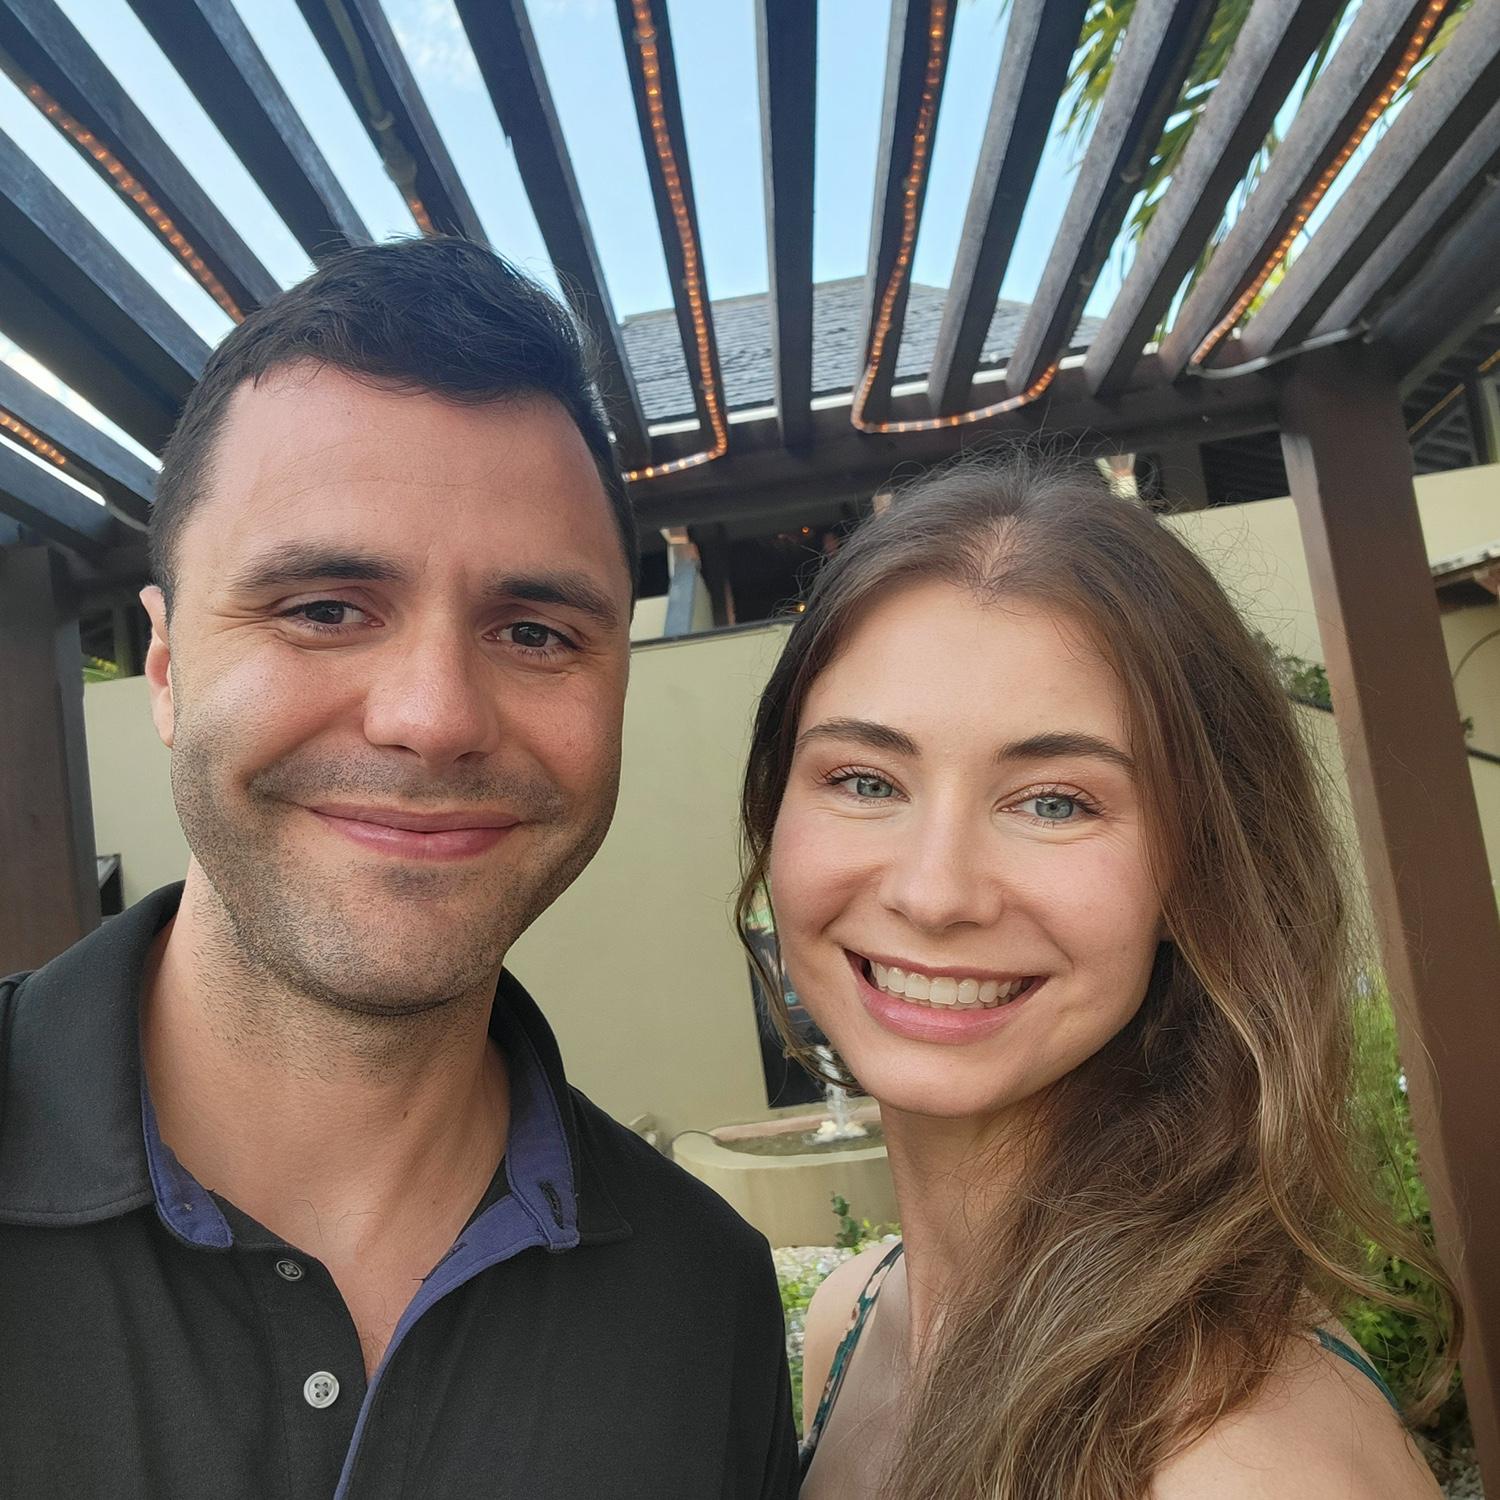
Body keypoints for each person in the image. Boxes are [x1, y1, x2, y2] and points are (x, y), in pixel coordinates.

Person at [0, 237, 798, 1499]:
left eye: (535, 631)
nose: (434, 716)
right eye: (324, 609)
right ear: (163, 668)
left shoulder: (706, 1301)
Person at [736, 451, 1456, 1499]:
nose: (935, 893)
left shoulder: (1242, 1465)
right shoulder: (856, 1315)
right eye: (864, 780)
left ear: (1200, 868)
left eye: (1055, 801)